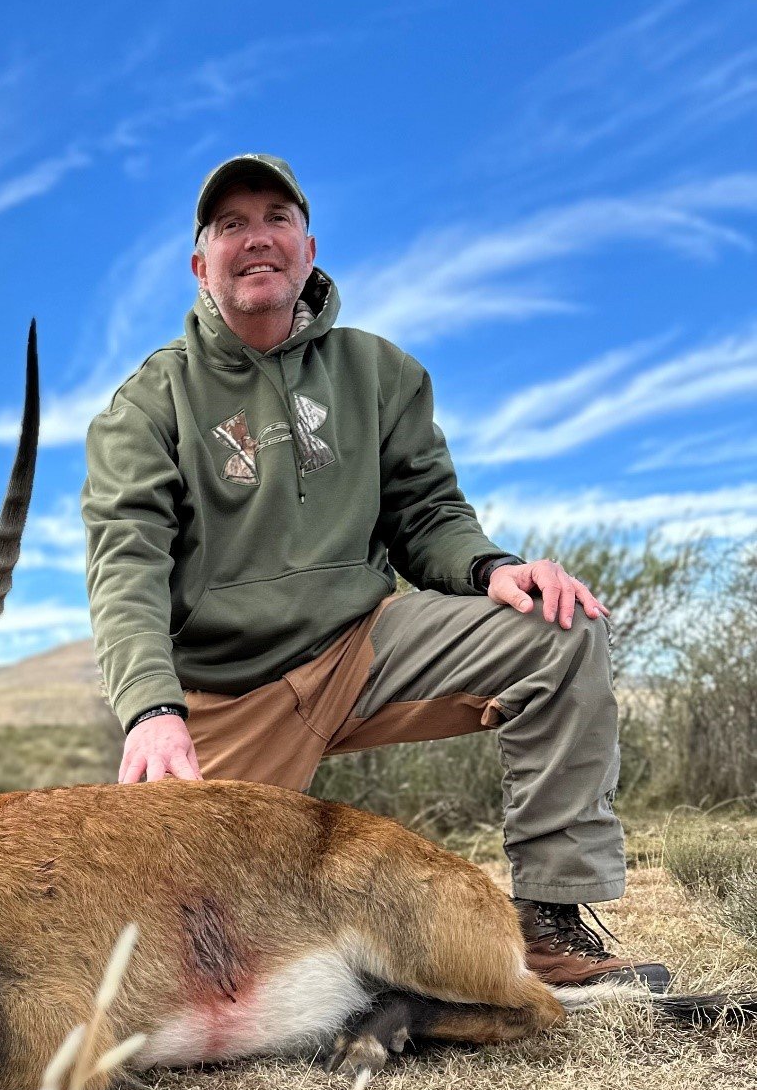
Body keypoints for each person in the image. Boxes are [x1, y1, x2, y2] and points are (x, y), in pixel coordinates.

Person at [81, 152, 668, 989]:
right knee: (163, 958)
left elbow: (426, 515)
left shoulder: (378, 372)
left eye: (275, 220)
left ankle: (549, 923)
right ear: (199, 264)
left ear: (308, 248)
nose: (256, 240)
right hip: (227, 689)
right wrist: (149, 710)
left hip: (361, 645)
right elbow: (124, 565)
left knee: (556, 629)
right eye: (231, 225)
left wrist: (489, 567)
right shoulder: (147, 404)